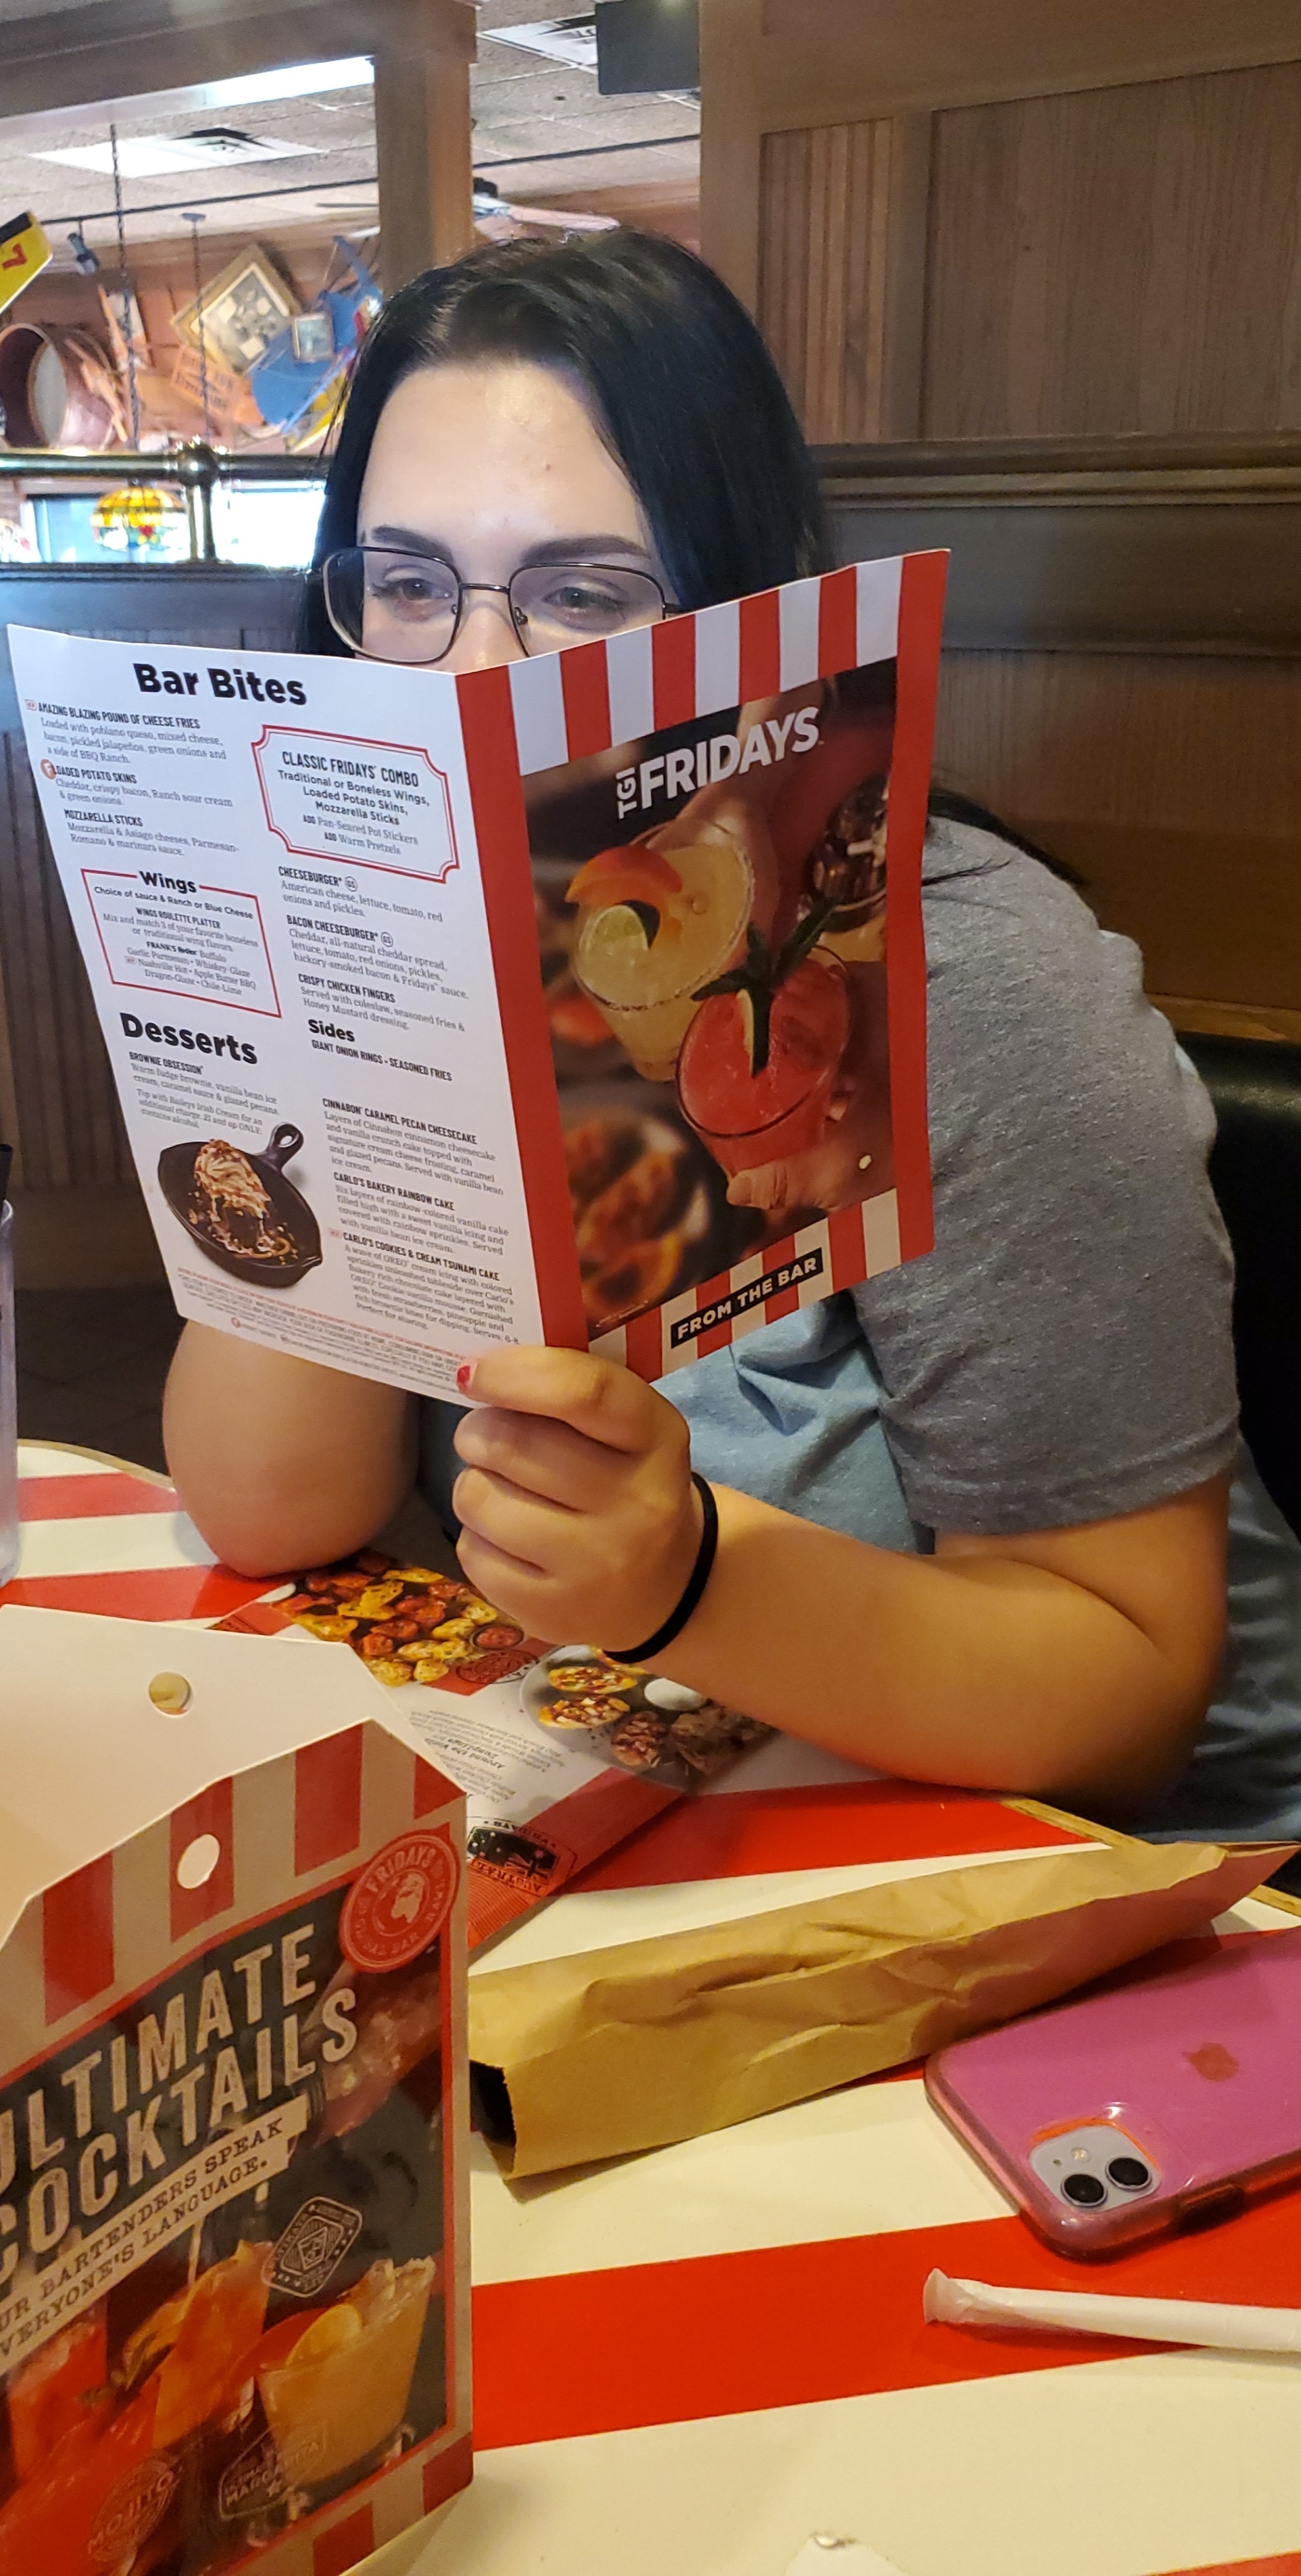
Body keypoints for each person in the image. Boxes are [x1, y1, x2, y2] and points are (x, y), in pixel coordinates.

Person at [164, 230, 1301, 1839]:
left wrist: (684, 1572)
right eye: (409, 583)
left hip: (1093, 1896)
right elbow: (276, 1504)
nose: (473, 673)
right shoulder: (426, 927)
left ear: (756, 619)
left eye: (582, 596)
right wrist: (322, 1006)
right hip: (635, 1801)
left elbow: (1128, 1705)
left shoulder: (968, 977)